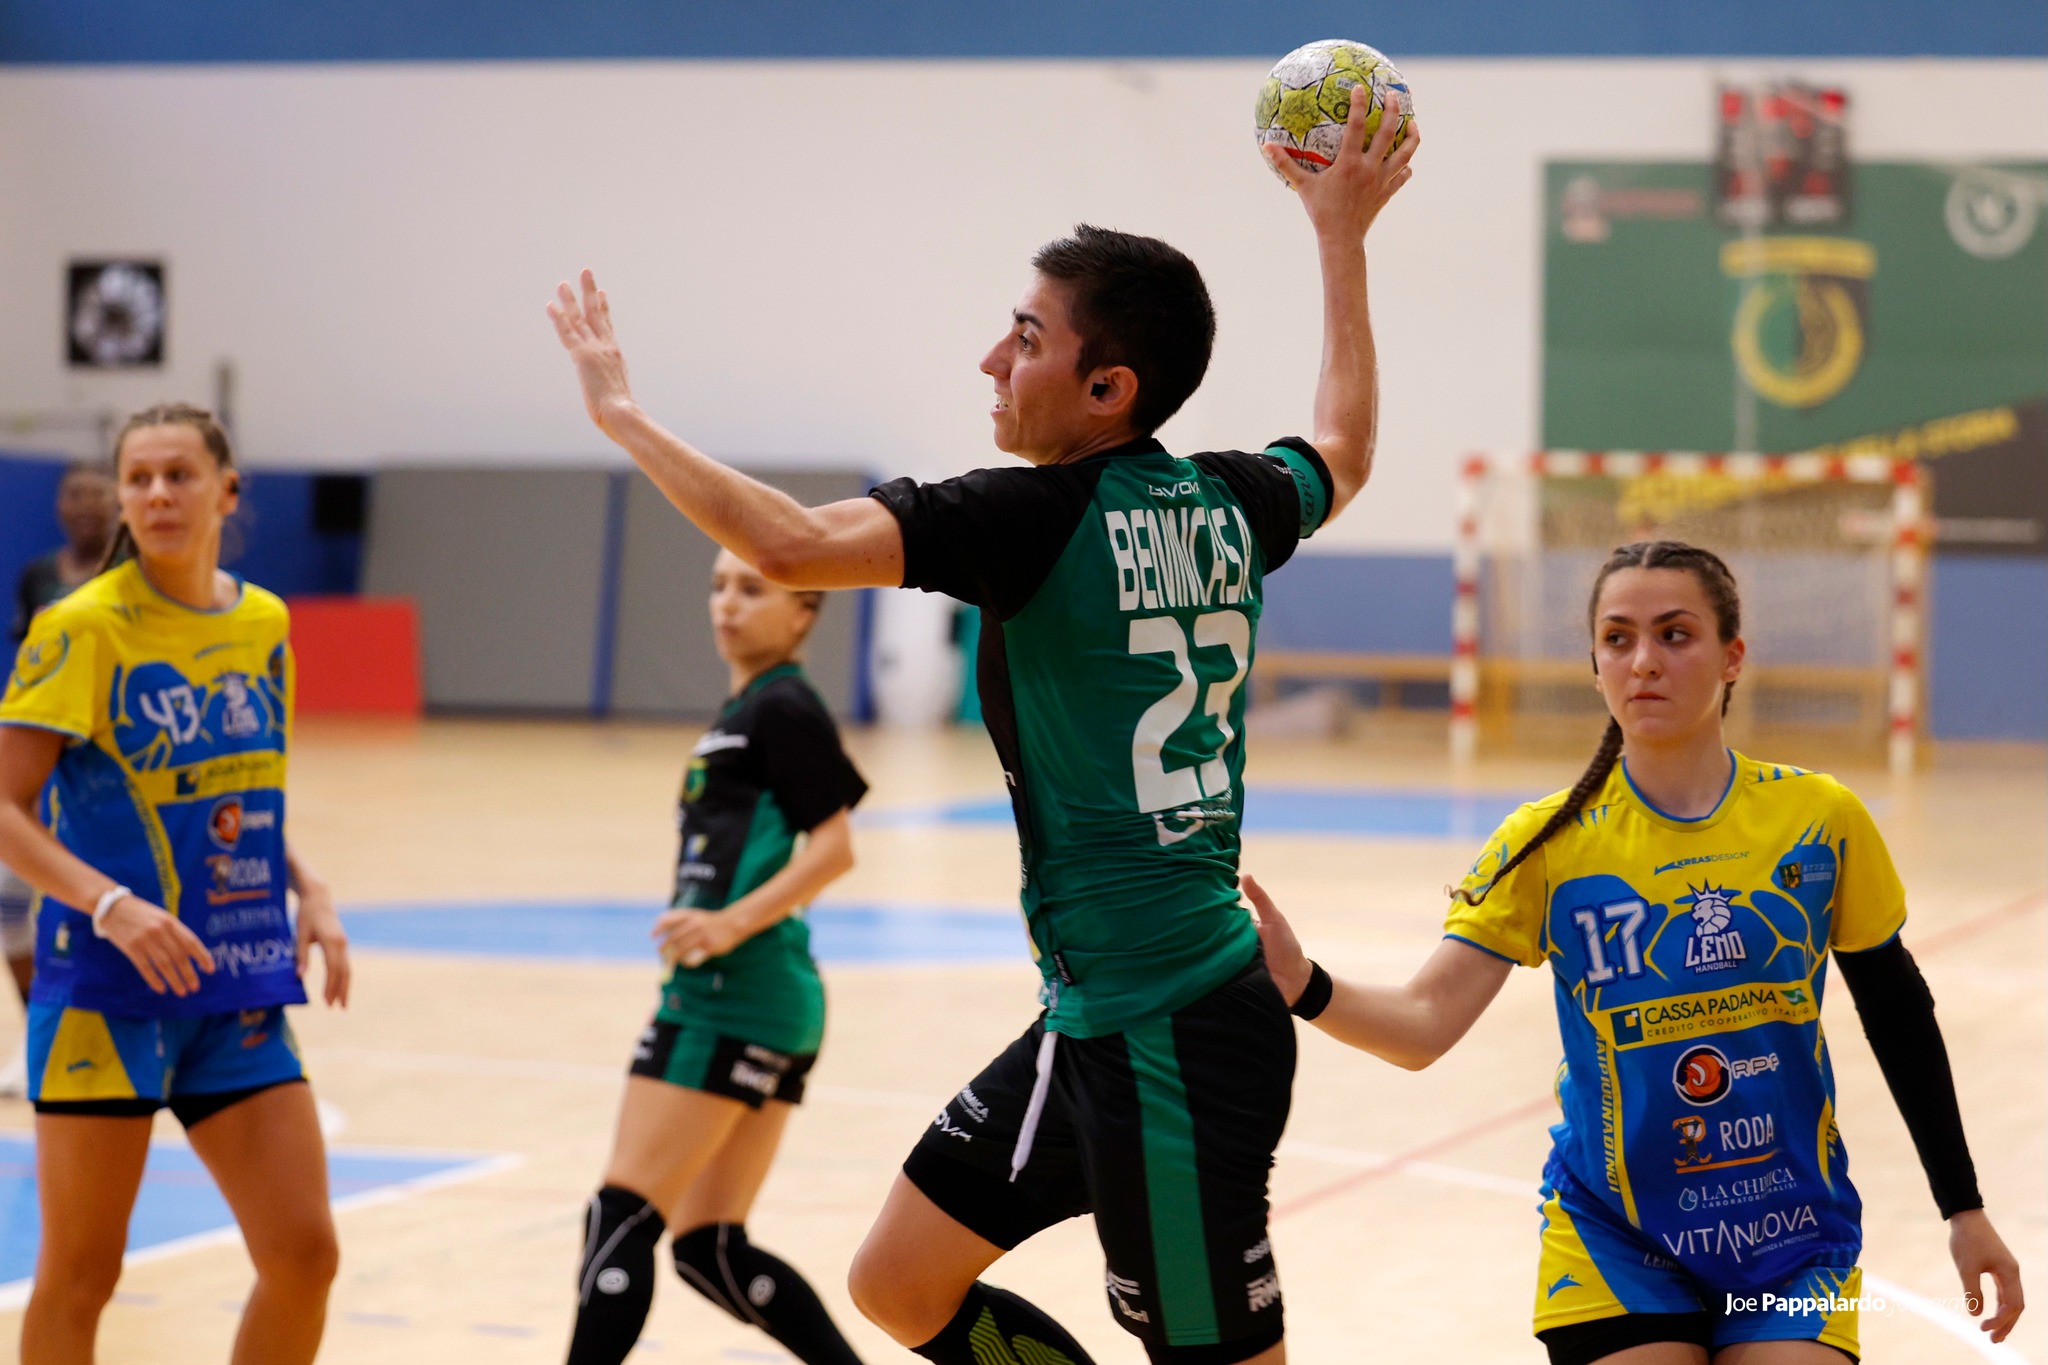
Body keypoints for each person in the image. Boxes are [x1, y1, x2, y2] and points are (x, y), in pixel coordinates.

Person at [548, 91, 1417, 1365]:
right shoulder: (1230, 498)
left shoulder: (1032, 520)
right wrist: (1338, 237)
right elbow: (1342, 445)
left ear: (1106, 387)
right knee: (900, 1282)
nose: (989, 362)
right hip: (1093, 1012)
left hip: (1174, 1026)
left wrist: (622, 416)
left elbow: (786, 543)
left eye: (1023, 338)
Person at [1244, 540, 2026, 1365]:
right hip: (1616, 1238)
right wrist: (1305, 984)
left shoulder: (1819, 818)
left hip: (1792, 1234)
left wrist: (1963, 1207)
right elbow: (1423, 1022)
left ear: (1732, 657)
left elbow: (1900, 1015)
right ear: (1596, 666)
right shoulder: (1546, 841)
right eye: (1618, 638)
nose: (1643, 660)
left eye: (1674, 634)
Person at [0, 402, 351, 1365]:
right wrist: (108, 905)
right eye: (140, 478)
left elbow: (241, 786)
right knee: (81, 1274)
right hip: (106, 994)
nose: (158, 493)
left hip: (235, 983)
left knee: (305, 1254)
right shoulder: (81, 627)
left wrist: (310, 883)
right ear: (122, 496)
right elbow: (6, 806)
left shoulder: (264, 622)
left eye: (180, 475)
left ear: (227, 492)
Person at [566, 549, 871, 1365]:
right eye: (718, 586)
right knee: (709, 1246)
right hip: (771, 996)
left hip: (731, 992)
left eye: (751, 588)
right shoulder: (751, 708)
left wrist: (730, 925)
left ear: (804, 612)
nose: (726, 604)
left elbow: (835, 848)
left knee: (621, 1215)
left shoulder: (782, 707)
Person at [1, 460, 120, 1096]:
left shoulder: (132, 576)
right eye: (74, 494)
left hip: (108, 766)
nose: (85, 505)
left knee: (97, 906)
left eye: (98, 493)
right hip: (39, 756)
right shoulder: (39, 575)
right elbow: (31, 668)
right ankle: (37, 1036)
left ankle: (109, 1040)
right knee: (9, 904)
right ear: (59, 506)